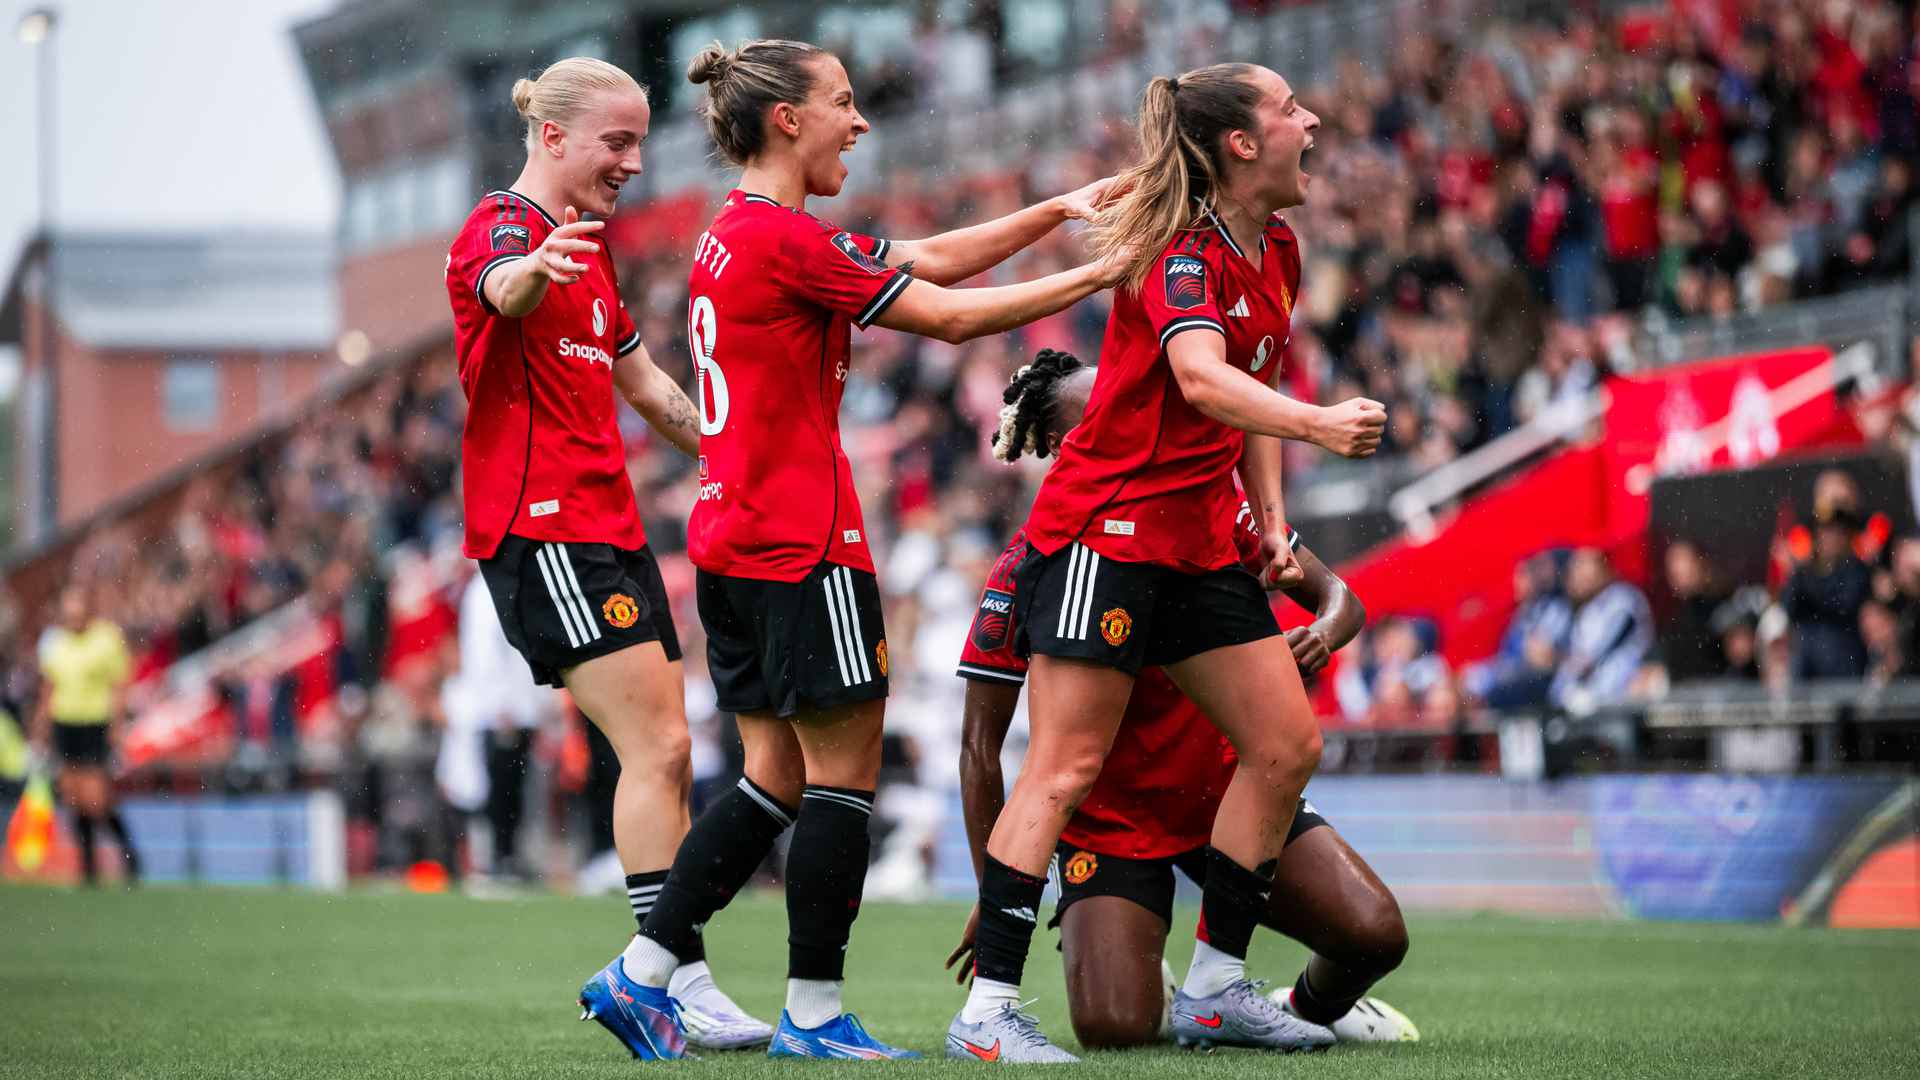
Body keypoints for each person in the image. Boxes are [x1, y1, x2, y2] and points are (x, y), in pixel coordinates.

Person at [616, 38, 1126, 1062]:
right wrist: (1108, 268)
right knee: (843, 782)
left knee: (770, 778)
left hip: (730, 538)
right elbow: (938, 316)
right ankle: (808, 1010)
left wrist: (1053, 215)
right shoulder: (783, 239)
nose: (860, 121)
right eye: (844, 104)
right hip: (804, 542)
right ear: (787, 121)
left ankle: (642, 971)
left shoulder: (741, 235)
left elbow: (920, 260)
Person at [953, 64, 1385, 1061]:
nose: (1310, 118)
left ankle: (1217, 988)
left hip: (1196, 543)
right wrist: (1321, 423)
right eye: (1288, 109)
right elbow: (1202, 377)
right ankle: (985, 1020)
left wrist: (1272, 517)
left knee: (1286, 747)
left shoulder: (1276, 247)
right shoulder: (1179, 255)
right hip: (1107, 531)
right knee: (1063, 768)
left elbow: (1251, 381)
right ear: (1240, 143)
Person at [946, 352, 1415, 1053]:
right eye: (1104, 420)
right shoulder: (1026, 568)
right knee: (1113, 1027)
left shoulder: (1213, 521)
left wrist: (1320, 632)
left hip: (1227, 793)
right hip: (1110, 824)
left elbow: (1338, 599)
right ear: (1073, 449)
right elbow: (980, 746)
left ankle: (1307, 1008)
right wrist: (996, 895)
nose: (1134, 425)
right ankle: (1160, 983)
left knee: (1375, 935)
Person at [441, 57, 766, 1056]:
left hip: (611, 530)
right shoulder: (505, 229)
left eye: (638, 142)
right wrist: (529, 275)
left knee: (669, 753)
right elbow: (495, 285)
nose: (633, 162)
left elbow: (647, 384)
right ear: (553, 138)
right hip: (542, 531)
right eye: (615, 142)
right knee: (660, 750)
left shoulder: (595, 255)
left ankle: (680, 978)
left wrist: (745, 446)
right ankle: (658, 975)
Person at [30, 584, 139, 885]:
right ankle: (88, 866)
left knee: (97, 799)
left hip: (95, 723)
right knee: (74, 796)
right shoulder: (53, 642)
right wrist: (40, 730)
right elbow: (48, 689)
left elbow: (119, 685)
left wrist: (117, 727)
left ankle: (131, 858)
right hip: (65, 724)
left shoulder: (106, 638)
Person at [1550, 548, 1654, 713]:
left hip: (1619, 700)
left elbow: (1596, 656)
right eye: (1576, 564)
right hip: (1589, 700)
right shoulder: (1587, 610)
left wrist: (1556, 656)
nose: (1578, 571)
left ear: (1605, 564)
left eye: (1584, 563)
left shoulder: (1624, 599)